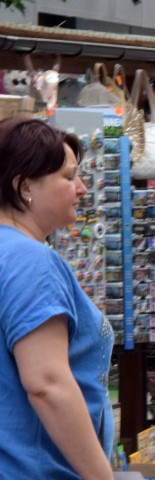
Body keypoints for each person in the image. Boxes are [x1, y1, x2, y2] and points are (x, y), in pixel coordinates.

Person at [0, 117, 114, 479]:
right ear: (24, 187)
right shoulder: (31, 261)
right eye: (68, 177)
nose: (81, 188)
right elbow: (47, 383)